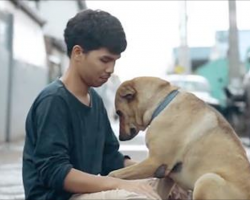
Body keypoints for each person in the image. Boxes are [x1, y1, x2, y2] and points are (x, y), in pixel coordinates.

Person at [22, 9, 163, 200]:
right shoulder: (54, 101)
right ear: (78, 53)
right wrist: (122, 184)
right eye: (105, 60)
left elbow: (110, 158)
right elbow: (55, 171)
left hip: (85, 195)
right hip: (56, 197)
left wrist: (157, 171)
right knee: (136, 198)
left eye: (115, 61)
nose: (110, 69)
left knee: (168, 189)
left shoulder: (95, 100)